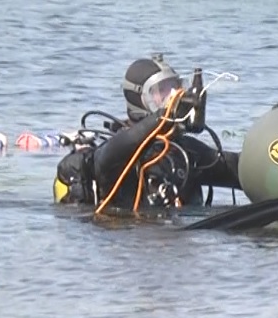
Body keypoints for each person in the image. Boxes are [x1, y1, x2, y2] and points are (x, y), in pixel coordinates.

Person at [53, 54, 243, 215]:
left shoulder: (185, 151)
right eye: (162, 90)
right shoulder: (114, 155)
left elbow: (241, 169)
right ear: (139, 98)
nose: (173, 95)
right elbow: (117, 149)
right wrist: (163, 117)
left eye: (175, 86)